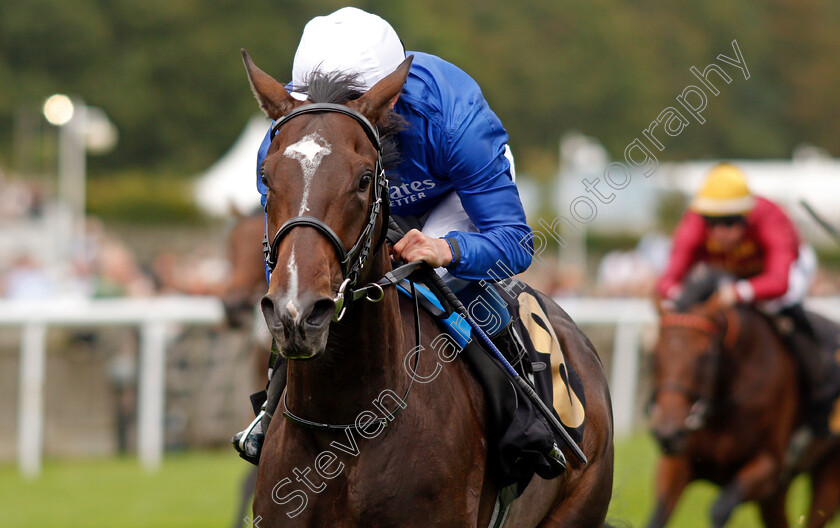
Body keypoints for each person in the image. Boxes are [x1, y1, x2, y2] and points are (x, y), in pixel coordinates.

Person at [233, 7, 565, 485]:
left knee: (444, 291)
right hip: (354, 200)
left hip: (452, 195)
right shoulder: (285, 146)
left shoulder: (456, 118)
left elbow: (515, 243)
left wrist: (448, 249)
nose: (332, 118)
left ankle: (523, 421)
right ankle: (271, 411)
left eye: (354, 102)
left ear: (388, 99)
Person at [657, 162, 840, 433]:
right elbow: (668, 281)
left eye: (731, 222)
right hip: (731, 273)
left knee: (779, 308)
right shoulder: (694, 223)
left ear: (747, 214)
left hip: (783, 272)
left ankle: (819, 397)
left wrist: (737, 292)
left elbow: (779, 281)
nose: (721, 232)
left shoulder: (772, 218)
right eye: (713, 222)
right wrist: (685, 304)